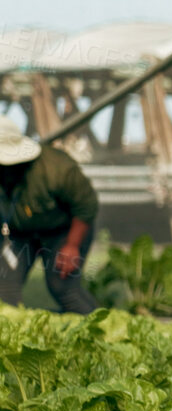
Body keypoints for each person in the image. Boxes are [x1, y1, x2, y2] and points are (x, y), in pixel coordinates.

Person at [0, 116, 101, 313]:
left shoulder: (57, 168)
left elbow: (86, 206)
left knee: (62, 287)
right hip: (19, 234)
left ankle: (100, 332)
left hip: (63, 232)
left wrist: (72, 245)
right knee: (4, 288)